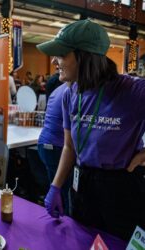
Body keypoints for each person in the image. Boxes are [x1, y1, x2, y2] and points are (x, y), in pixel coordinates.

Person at [37, 19, 145, 241]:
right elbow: (68, 146)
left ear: (83, 57)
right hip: (83, 183)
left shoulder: (132, 90)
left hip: (121, 188)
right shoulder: (69, 94)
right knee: (83, 241)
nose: (54, 61)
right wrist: (56, 187)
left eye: (61, 54)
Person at [37, 83, 72, 215]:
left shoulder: (59, 89)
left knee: (57, 190)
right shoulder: (71, 90)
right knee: (65, 193)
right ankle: (65, 225)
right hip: (57, 147)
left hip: (45, 145)